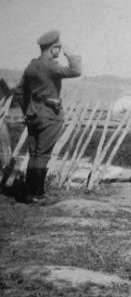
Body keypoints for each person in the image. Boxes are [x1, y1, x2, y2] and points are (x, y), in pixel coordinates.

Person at [13, 30, 81, 203]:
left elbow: (19, 91)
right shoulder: (51, 65)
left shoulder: (32, 66)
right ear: (54, 48)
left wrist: (28, 108)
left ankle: (30, 193)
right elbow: (76, 70)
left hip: (33, 115)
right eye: (58, 48)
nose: (59, 51)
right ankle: (37, 195)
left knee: (34, 153)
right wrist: (70, 52)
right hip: (50, 115)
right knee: (42, 155)